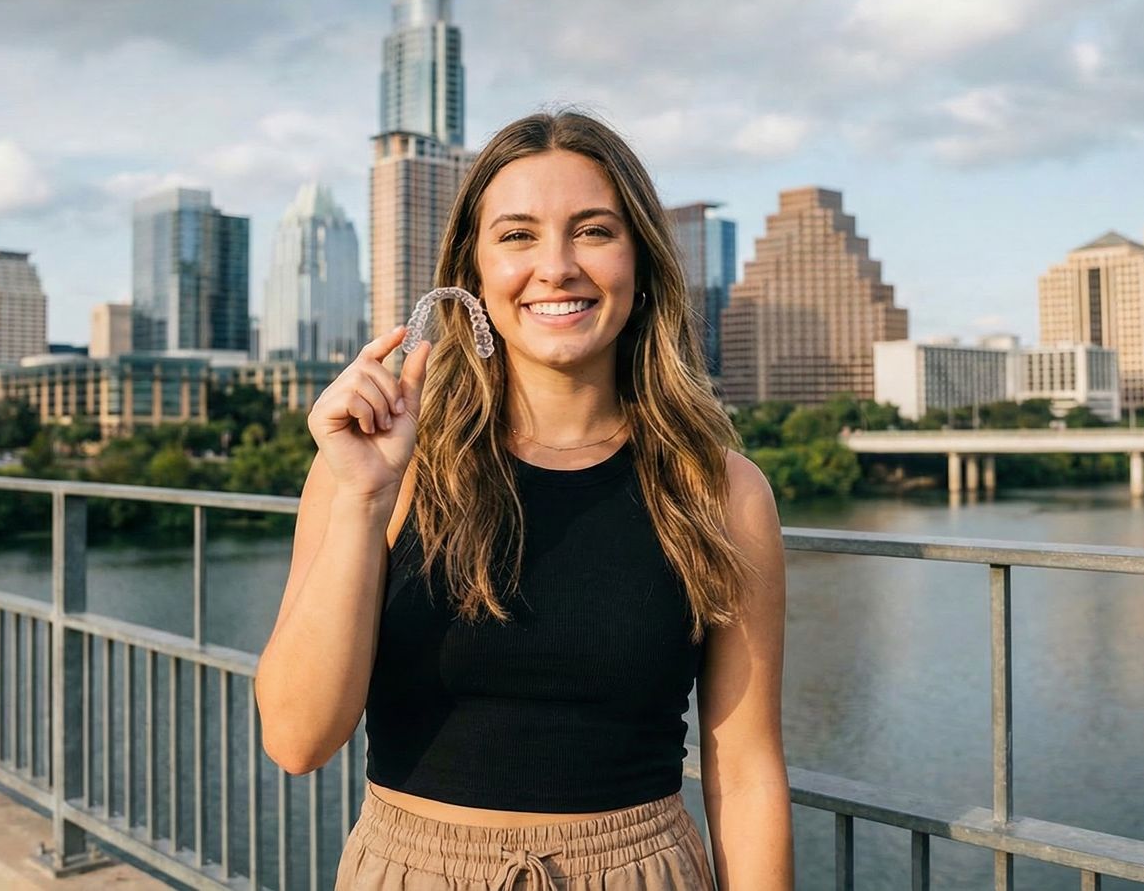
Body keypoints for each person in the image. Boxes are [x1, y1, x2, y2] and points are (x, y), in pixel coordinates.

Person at [255, 110, 793, 890]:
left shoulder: (719, 490)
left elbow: (745, 774)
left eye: (593, 230)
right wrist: (364, 501)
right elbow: (296, 739)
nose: (557, 266)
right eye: (516, 235)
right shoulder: (375, 467)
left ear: (639, 260)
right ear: (472, 272)